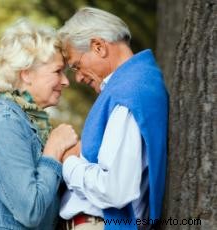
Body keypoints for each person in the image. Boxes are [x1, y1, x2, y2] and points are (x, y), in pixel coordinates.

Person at [58, 7, 169, 230]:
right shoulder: (131, 85)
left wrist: (69, 162)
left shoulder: (129, 92)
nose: (78, 77)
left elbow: (116, 189)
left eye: (77, 66)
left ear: (98, 47)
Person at [0, 19, 78, 230]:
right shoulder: (5, 125)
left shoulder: (30, 122)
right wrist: (54, 151)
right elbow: (31, 211)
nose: (66, 81)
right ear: (26, 74)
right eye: (57, 71)